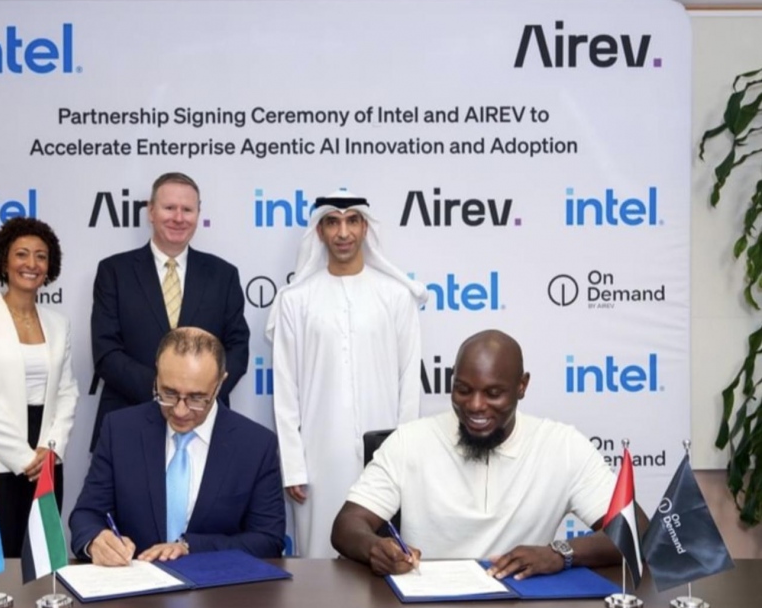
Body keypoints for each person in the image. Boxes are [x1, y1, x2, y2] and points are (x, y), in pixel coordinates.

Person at [332, 329, 637, 579]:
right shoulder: (409, 440)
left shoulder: (562, 445)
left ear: (522, 386)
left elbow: (634, 531)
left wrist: (559, 554)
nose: (475, 405)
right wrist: (374, 547)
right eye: (463, 390)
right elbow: (347, 524)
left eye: (493, 393)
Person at [266, 189, 426, 558]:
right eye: (332, 222)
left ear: (365, 228)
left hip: (385, 456)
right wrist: (293, 466)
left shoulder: (396, 296)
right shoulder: (295, 300)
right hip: (318, 458)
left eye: (352, 221)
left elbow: (408, 384)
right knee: (318, 555)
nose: (343, 233)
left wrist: (403, 458)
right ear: (319, 231)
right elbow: (285, 390)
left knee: (382, 556)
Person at [70, 327, 285, 564]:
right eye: (169, 394)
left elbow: (268, 540)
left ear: (219, 384)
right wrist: (96, 540)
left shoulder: (255, 445)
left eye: (196, 398)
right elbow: (86, 514)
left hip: (215, 585)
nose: (180, 411)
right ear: (157, 375)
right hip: (136, 581)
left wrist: (191, 547)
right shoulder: (120, 430)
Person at [90, 172, 250, 451]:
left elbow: (237, 349)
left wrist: (199, 397)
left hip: (204, 427)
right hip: (130, 421)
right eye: (169, 208)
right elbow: (106, 352)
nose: (178, 218)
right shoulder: (114, 272)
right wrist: (166, 393)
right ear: (151, 211)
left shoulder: (223, 275)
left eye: (187, 209)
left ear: (198, 214)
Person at [0, 217, 78, 558]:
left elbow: (67, 391)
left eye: (41, 256)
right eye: (22, 254)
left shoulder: (59, 324)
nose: (31, 263)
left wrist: (51, 448)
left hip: (46, 456)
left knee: (41, 563)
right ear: (4, 261)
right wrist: (23, 458)